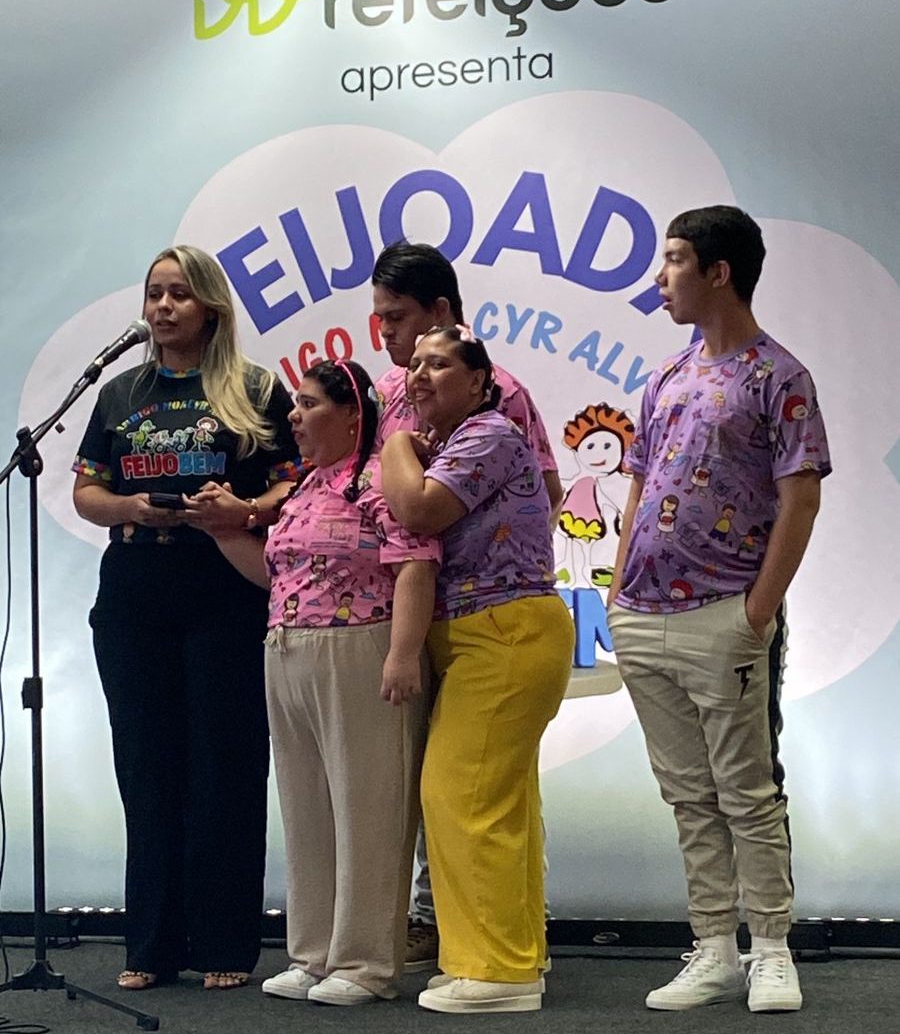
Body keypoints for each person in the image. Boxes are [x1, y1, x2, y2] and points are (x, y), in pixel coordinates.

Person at [606, 207, 831, 1013]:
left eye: (673, 260)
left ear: (719, 271)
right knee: (688, 794)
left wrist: (757, 611)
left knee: (747, 791)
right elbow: (640, 482)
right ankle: (712, 948)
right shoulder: (666, 375)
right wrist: (617, 589)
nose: (661, 277)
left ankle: (770, 947)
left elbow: (799, 499)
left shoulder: (779, 377)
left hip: (724, 614)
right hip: (643, 614)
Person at [72, 245, 301, 991]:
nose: (164, 307)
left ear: (211, 307)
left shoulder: (255, 390)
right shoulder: (120, 392)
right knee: (146, 767)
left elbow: (294, 486)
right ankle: (151, 946)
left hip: (223, 587)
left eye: (179, 294)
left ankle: (226, 943)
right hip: (136, 588)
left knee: (224, 765)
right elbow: (86, 493)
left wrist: (242, 509)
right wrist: (131, 506)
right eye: (154, 294)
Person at [205, 359, 440, 1005]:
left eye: (309, 404)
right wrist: (221, 530)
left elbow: (416, 563)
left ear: (351, 414)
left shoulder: (379, 480)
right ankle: (313, 954)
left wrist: (402, 654)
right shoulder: (306, 486)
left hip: (361, 647)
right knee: (307, 809)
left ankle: (365, 964)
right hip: (287, 648)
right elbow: (278, 575)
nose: (295, 416)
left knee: (369, 809)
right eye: (297, 404)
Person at [370, 239, 562, 970]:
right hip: (433, 612)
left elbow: (430, 506)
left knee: (471, 791)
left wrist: (402, 454)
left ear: (442, 312)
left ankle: (487, 952)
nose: (388, 336)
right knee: (464, 786)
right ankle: (494, 942)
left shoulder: (495, 402)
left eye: (399, 318)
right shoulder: (392, 392)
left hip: (495, 609)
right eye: (380, 319)